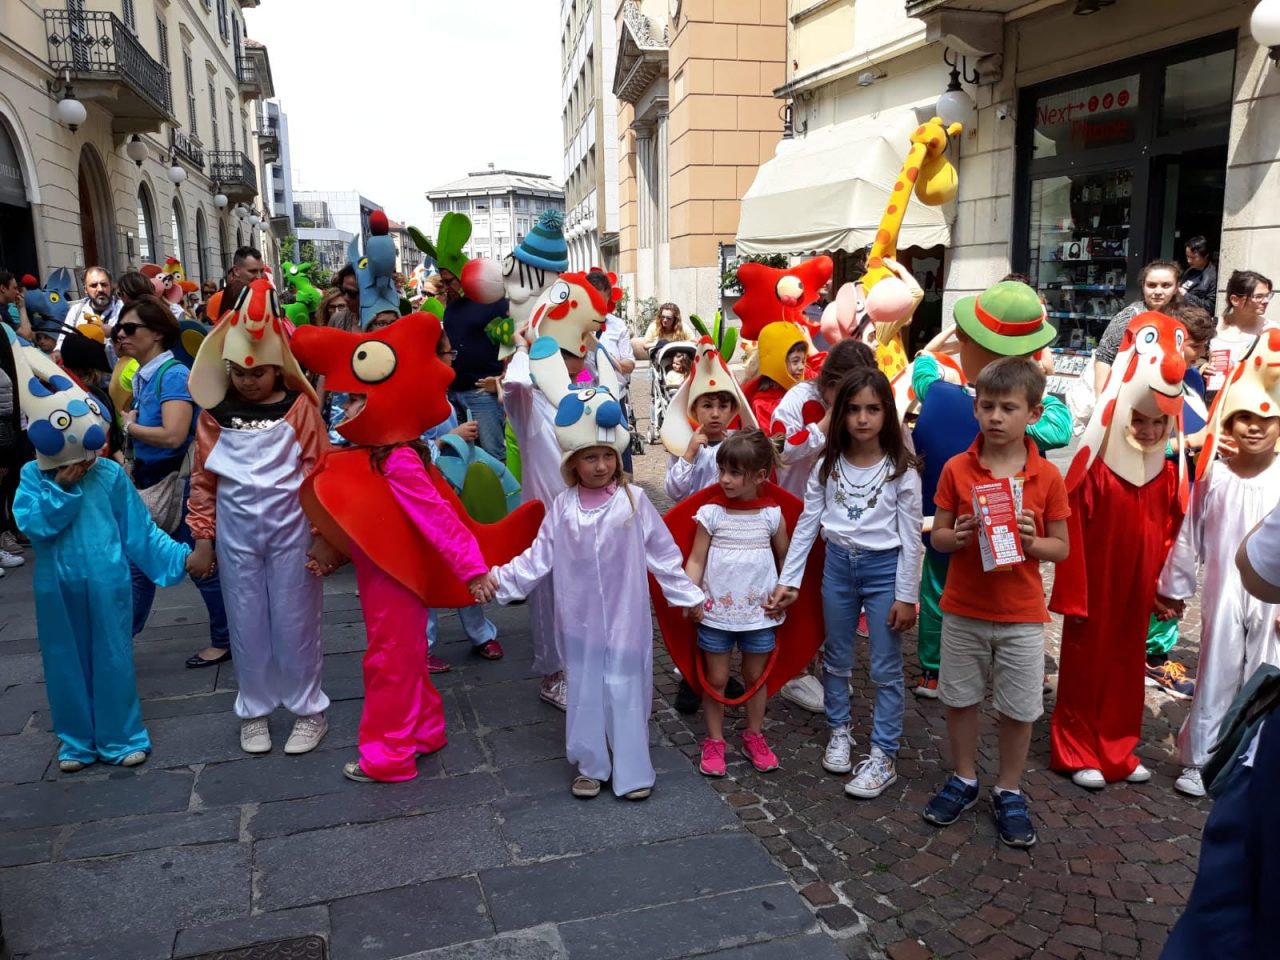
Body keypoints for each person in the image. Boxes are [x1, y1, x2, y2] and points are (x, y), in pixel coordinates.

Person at [288, 312, 534, 784]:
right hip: (387, 575)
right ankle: (423, 731)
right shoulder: (383, 454)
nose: (345, 413)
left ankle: (389, 754)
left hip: (394, 581)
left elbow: (438, 518)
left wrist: (473, 569)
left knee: (389, 662)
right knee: (403, 658)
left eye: (355, 401)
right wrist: (331, 548)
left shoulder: (398, 458)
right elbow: (362, 519)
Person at [475, 350, 702, 800]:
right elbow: (537, 559)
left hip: (625, 619)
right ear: (572, 463)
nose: (599, 465)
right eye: (589, 457)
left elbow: (664, 555)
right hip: (577, 622)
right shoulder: (562, 509)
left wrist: (688, 596)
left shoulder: (634, 503)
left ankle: (633, 769)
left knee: (625, 686)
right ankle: (590, 762)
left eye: (605, 456)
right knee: (583, 689)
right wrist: (498, 579)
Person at [9, 331, 191, 771]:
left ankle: (121, 735)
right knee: (63, 659)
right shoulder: (34, 476)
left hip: (109, 583)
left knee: (112, 654)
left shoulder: (108, 474)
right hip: (56, 587)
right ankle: (75, 741)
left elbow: (139, 531)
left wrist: (183, 557)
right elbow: (32, 525)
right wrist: (63, 490)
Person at [921, 357, 1070, 847]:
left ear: (1033, 413)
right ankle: (964, 777)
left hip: (1022, 615)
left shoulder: (1046, 476)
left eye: (1009, 408)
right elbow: (937, 536)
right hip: (963, 608)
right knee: (959, 699)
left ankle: (1009, 788)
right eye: (987, 406)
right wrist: (955, 535)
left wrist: (1032, 541)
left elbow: (1061, 548)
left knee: (1019, 708)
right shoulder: (957, 469)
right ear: (976, 409)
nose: (996, 417)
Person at [185, 285, 331, 756]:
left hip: (293, 528)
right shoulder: (212, 416)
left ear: (278, 368)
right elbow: (204, 479)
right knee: (246, 622)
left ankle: (310, 710)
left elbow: (318, 472)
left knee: (296, 620)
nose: (248, 381)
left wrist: (322, 535)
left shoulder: (299, 408)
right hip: (236, 533)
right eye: (239, 372)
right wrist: (203, 538)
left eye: (259, 371)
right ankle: (255, 710)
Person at [911, 281, 1070, 698]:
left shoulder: (940, 394)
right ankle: (1016, 666)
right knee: (1010, 583)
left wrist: (948, 341)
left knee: (937, 586)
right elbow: (1061, 424)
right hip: (1015, 512)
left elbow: (923, 362)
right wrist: (1040, 372)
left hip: (947, 513)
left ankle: (933, 668)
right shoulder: (1031, 413)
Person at [1050, 311, 1188, 791]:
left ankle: (1118, 748)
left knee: (1128, 664)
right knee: (1087, 663)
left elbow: (1173, 533)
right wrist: (1074, 590)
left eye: (1157, 423)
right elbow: (1070, 531)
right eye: (1140, 420)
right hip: (1095, 585)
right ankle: (1076, 748)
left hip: (1136, 587)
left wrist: (1166, 589)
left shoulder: (1166, 475)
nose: (1148, 430)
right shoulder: (1096, 473)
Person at [771, 367, 922, 798]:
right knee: (836, 657)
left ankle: (884, 755)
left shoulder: (902, 471)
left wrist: (906, 595)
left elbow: (912, 538)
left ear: (886, 414)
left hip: (883, 571)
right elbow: (806, 524)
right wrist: (790, 579)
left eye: (873, 409)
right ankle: (839, 730)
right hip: (837, 567)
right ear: (840, 415)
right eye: (853, 409)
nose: (862, 419)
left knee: (885, 667)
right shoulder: (826, 465)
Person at [1155, 340, 1280, 798]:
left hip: (1275, 597)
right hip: (1225, 590)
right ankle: (1201, 757)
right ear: (1227, 423)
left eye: (1266, 420)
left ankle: (1254, 756)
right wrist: (1174, 587)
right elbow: (1190, 535)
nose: (1254, 428)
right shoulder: (1216, 476)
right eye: (1245, 418)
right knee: (1217, 666)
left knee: (1268, 668)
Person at [115, 295, 230, 667]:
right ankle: (118, 640)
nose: (120, 334)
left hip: (176, 486)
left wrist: (128, 426)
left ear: (158, 333)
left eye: (130, 328)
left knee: (200, 564)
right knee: (145, 565)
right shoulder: (148, 376)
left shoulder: (172, 374)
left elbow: (173, 434)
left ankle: (224, 639)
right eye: (119, 328)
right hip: (158, 484)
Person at [683, 430, 789, 777]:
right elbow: (696, 559)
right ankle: (714, 740)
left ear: (759, 476)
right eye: (722, 471)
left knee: (755, 676)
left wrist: (785, 592)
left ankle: (754, 734)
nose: (725, 479)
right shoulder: (711, 513)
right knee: (715, 677)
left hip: (760, 615)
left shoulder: (771, 516)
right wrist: (691, 594)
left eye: (735, 472)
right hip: (716, 615)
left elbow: (787, 561)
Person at [417, 329, 504, 673]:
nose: (452, 360)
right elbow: (411, 452)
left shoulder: (446, 396)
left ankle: (481, 632)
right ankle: (422, 644)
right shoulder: (417, 397)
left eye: (452, 354)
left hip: (454, 495)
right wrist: (448, 440)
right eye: (446, 354)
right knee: (427, 572)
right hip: (427, 500)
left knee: (467, 560)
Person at [1142, 302, 1216, 699]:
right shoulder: (1150, 380)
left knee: (1177, 562)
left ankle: (1157, 650)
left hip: (1185, 489)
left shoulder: (1192, 380)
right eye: (1193, 347)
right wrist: (1188, 443)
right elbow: (1134, 442)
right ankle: (1151, 655)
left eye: (1201, 348)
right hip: (1158, 485)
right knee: (1159, 564)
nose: (1197, 356)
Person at [662, 339, 758, 502]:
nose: (715, 414)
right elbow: (674, 491)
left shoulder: (739, 443)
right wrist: (689, 454)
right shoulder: (685, 445)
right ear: (694, 409)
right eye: (707, 406)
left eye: (723, 406)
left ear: (732, 409)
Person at [443, 276, 509, 461]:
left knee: (493, 455)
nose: (447, 287)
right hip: (454, 391)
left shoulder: (493, 302)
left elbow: (511, 341)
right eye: (443, 283)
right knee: (459, 455)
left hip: (481, 393)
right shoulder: (452, 308)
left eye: (449, 281)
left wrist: (501, 380)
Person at [1092, 260, 1183, 393]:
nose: (1158, 291)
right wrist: (1102, 401)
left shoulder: (1182, 317)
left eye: (1166, 285)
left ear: (1176, 288)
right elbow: (1104, 357)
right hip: (1127, 396)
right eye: (1152, 285)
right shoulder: (1129, 316)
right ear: (1143, 286)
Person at [587, 269, 637, 472]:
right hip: (587, 400)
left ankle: (625, 495)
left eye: (602, 302)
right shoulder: (575, 326)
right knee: (591, 454)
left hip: (615, 398)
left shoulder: (617, 326)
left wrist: (614, 363)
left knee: (620, 454)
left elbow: (630, 363)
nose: (598, 308)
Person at [745, 322, 808, 429]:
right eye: (795, 361)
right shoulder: (763, 403)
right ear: (778, 362)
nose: (801, 367)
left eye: (803, 361)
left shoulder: (801, 390)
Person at [63, 266, 123, 336]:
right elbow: (61, 343)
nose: (100, 289)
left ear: (111, 286)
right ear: (85, 289)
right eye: (94, 285)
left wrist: (113, 333)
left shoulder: (123, 309)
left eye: (104, 284)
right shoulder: (76, 311)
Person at [1179, 236, 1217, 312]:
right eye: (1187, 256)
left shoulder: (1212, 276)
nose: (1189, 261)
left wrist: (1186, 296)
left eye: (1193, 257)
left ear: (1206, 256)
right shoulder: (1189, 271)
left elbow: (1210, 306)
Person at [0, 271, 33, 341]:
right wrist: (22, 308)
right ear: (3, 288)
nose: (17, 292)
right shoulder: (2, 311)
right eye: (14, 288)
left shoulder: (3, 308)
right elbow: (27, 336)